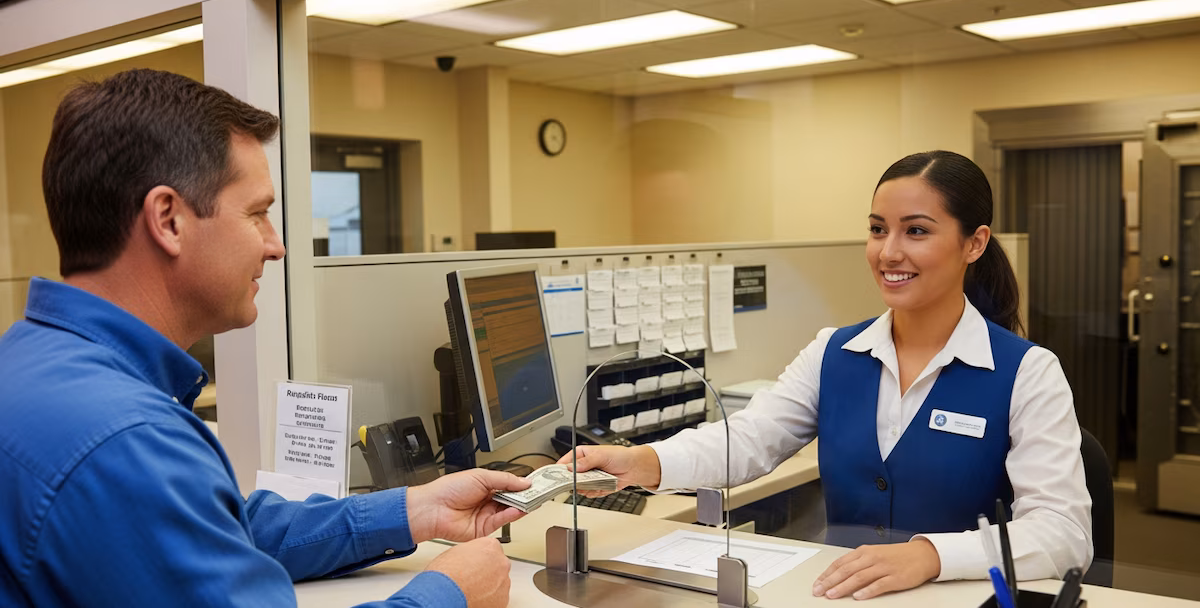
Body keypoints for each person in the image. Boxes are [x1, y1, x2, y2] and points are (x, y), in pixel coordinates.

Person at [0, 69, 529, 607]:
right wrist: (452, 595)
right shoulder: (124, 439)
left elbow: (222, 530)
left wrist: (413, 512)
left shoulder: (31, 364)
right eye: (257, 214)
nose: (275, 247)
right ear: (168, 219)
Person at [561, 150, 1092, 600]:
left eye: (917, 231)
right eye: (878, 229)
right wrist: (643, 461)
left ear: (974, 244)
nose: (889, 252)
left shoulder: (1028, 372)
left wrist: (931, 554)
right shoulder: (834, 351)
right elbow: (749, 440)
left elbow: (1065, 533)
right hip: (841, 598)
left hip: (955, 597)